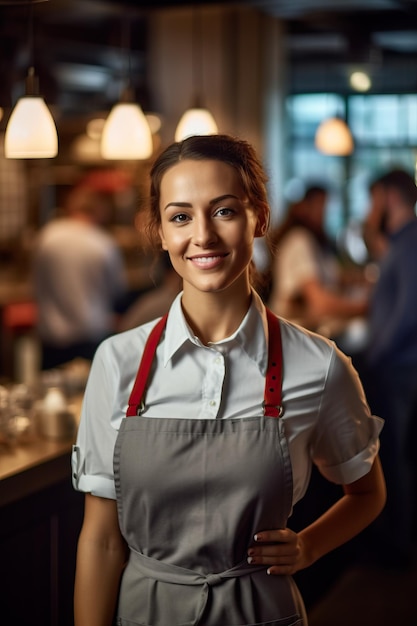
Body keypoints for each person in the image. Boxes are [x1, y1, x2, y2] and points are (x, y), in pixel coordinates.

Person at [72, 134, 386, 626]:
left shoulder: (319, 365)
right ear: (159, 231)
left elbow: (366, 492)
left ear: (258, 216)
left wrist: (308, 546)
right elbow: (102, 537)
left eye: (223, 211)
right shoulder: (117, 362)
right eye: (180, 216)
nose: (203, 236)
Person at [359, 168, 417, 567]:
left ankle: (398, 547)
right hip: (397, 364)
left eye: (374, 199)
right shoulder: (400, 242)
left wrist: (375, 353)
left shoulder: (410, 241)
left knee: (396, 455)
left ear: (389, 197)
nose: (370, 208)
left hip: (399, 366)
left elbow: (410, 310)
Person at [33, 179, 128, 370]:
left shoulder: (47, 236)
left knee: (51, 394)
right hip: (91, 333)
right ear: (99, 210)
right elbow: (117, 289)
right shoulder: (102, 243)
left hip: (51, 334)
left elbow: (36, 283)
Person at [268, 185, 368, 334]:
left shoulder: (315, 241)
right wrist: (364, 308)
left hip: (307, 333)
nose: (323, 214)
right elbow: (319, 303)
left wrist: (363, 278)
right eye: (320, 207)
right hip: (294, 337)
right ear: (305, 207)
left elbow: (334, 276)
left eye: (326, 208)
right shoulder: (299, 240)